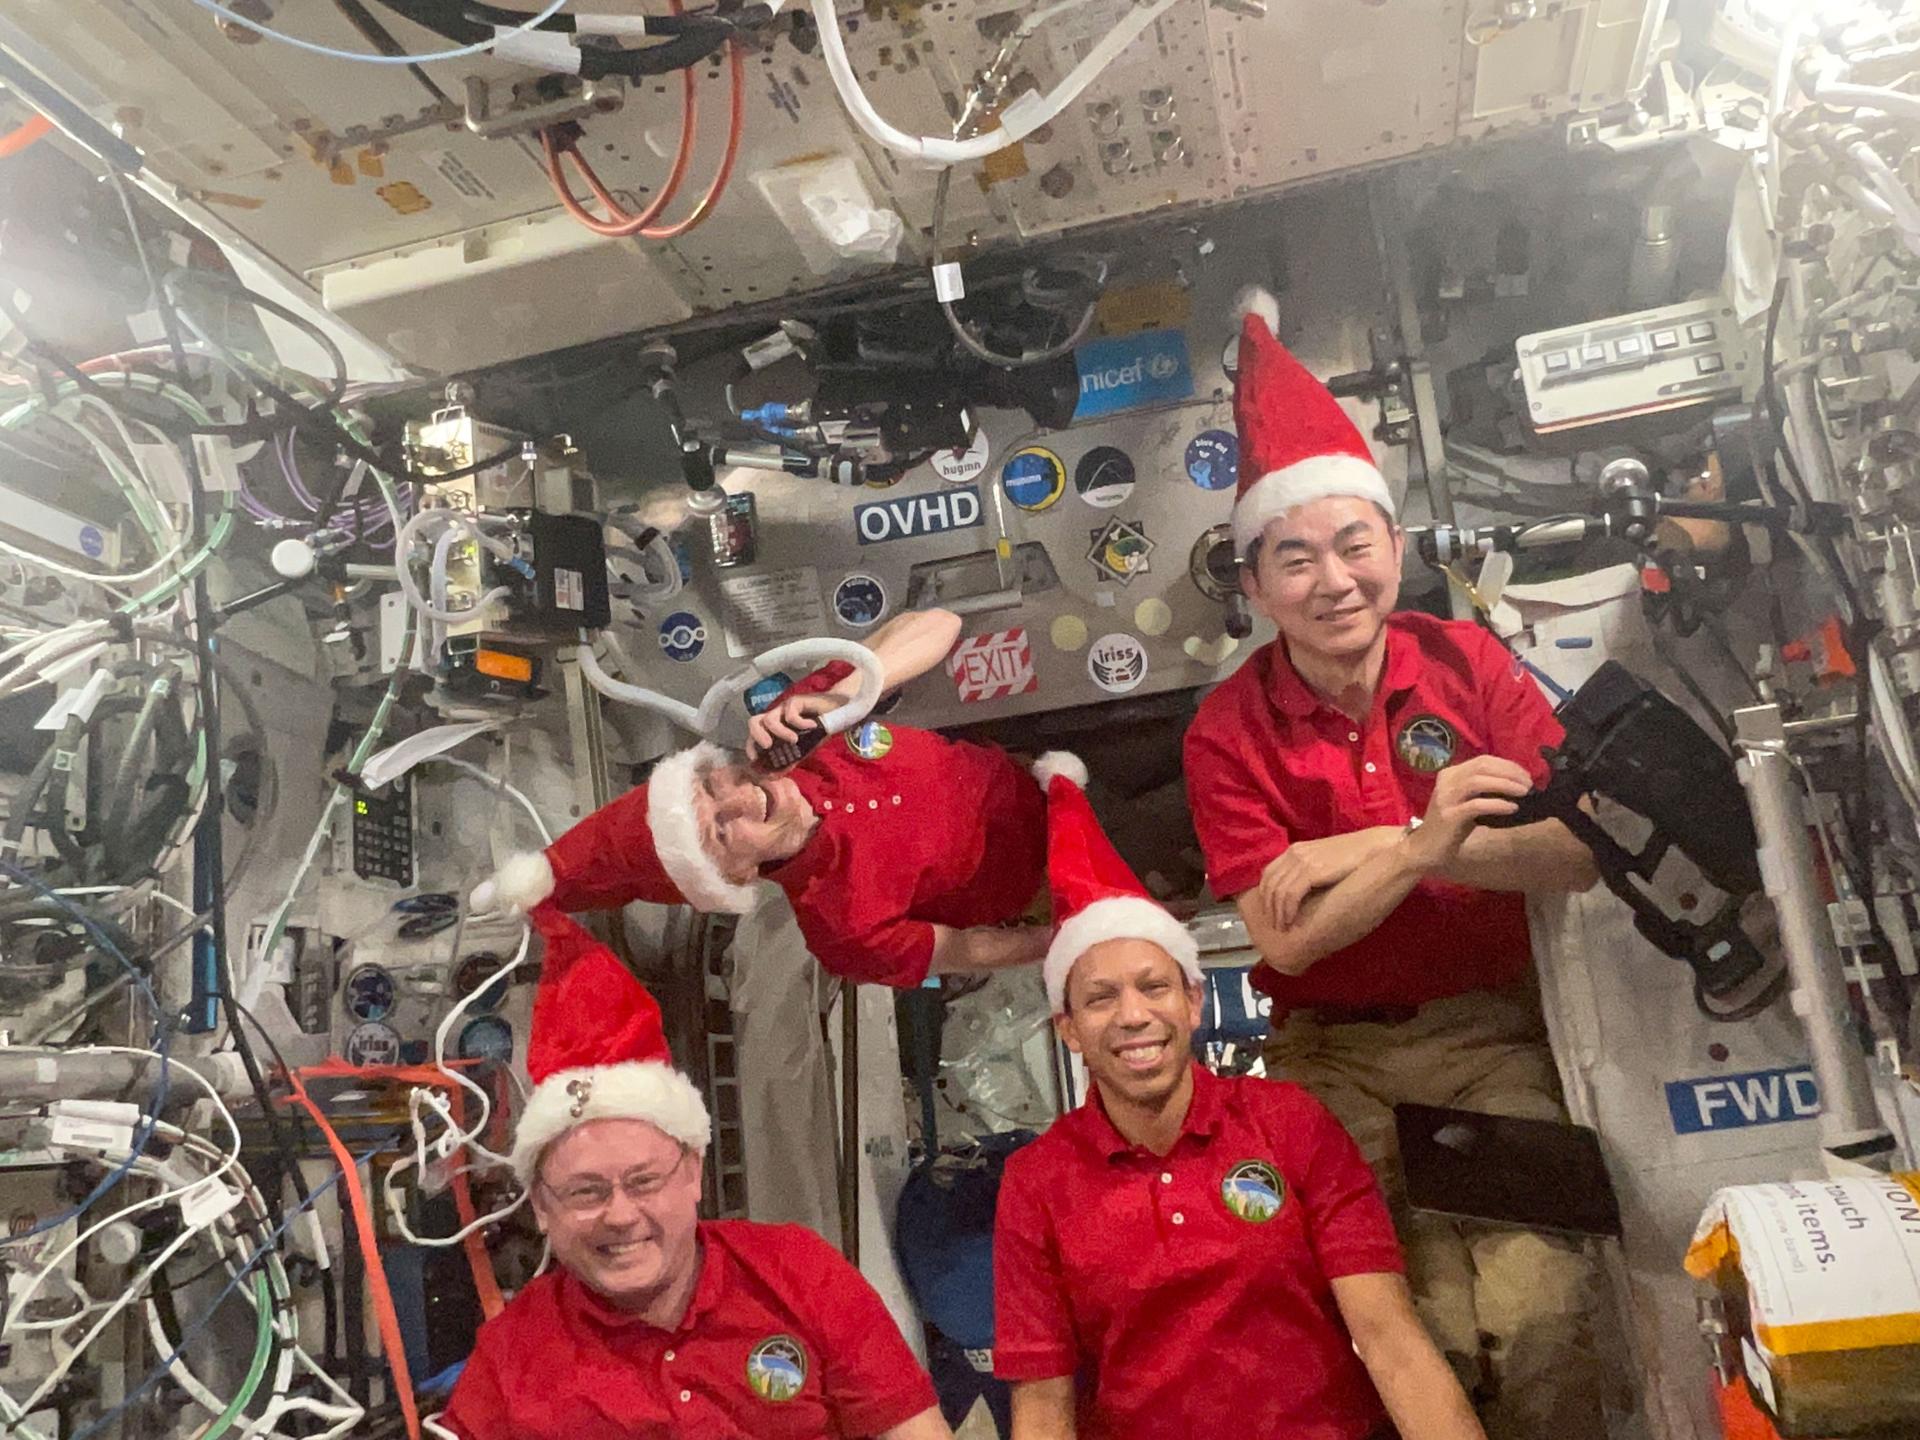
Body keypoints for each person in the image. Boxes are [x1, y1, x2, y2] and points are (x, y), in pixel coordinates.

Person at [1179, 287, 1606, 1438]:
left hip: (1489, 1034)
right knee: (1393, 1334)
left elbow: (1575, 851)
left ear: (1396, 547)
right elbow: (1285, 938)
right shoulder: (1228, 730)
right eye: (1296, 558)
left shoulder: (1466, 663)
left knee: (1550, 1310)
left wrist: (1364, 850)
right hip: (1329, 1060)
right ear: (1258, 585)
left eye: (1354, 545)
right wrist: (1434, 839)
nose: (1333, 581)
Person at [991, 753, 1487, 1440]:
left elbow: (1388, 1336)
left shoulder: (1290, 1124)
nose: (1133, 1015)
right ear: (1068, 1029)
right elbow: (1043, 1404)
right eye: (1101, 998)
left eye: (1154, 986)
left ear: (1194, 1002)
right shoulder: (1036, 1181)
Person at [437, 902, 952, 1440]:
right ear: (542, 1206)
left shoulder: (801, 1275)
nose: (619, 1215)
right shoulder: (506, 1365)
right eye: (585, 1192)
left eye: (644, 1181)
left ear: (693, 1175)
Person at [473, 607, 1048, 986]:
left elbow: (939, 623)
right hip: (1061, 878)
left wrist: (845, 696)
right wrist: (1082, 931)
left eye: (712, 786)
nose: (741, 799)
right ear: (739, 876)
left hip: (1049, 773)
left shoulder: (803, 726)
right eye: (721, 831)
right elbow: (969, 951)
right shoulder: (843, 934)